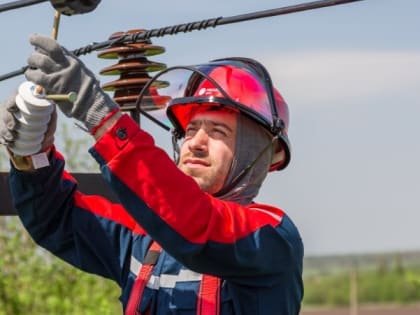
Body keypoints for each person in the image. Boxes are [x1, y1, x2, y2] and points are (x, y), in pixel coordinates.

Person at [0, 34, 303, 315]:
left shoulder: (271, 239)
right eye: (191, 129)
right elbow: (57, 217)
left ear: (258, 153)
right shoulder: (144, 239)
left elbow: (196, 224)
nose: (195, 143)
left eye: (217, 131)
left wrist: (99, 114)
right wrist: (31, 153)